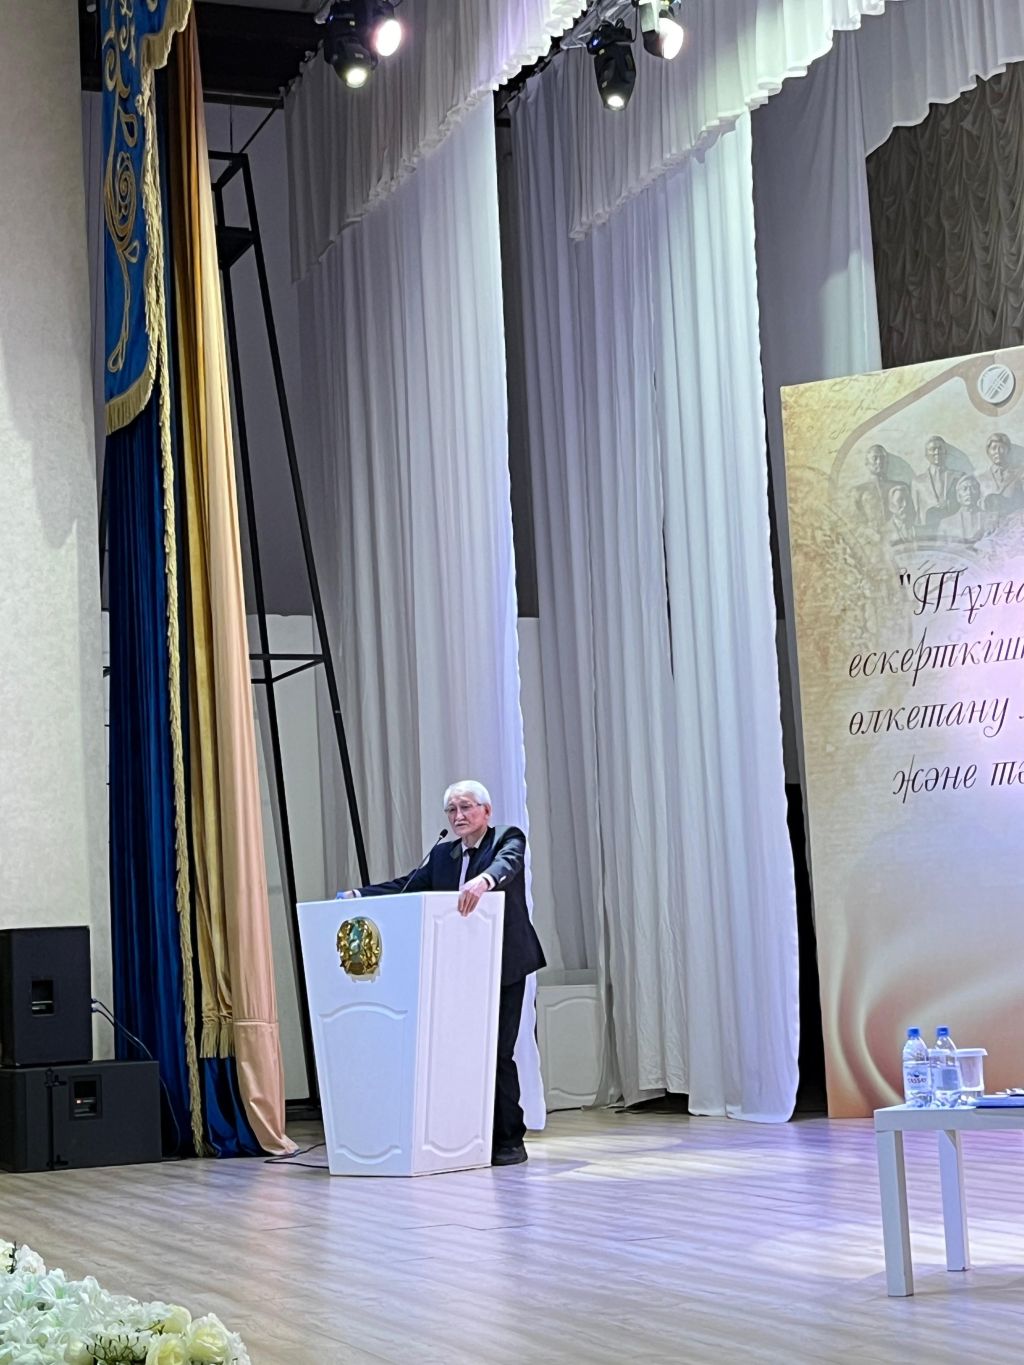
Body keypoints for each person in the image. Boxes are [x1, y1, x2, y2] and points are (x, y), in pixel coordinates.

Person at [339, 780, 545, 1166]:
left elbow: (507, 865)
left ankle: (509, 1140)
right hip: (457, 968)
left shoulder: (507, 837)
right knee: (462, 1054)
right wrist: (358, 896)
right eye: (452, 810)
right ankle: (466, 1137)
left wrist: (483, 881)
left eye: (466, 807)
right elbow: (408, 886)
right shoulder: (442, 854)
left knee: (498, 1052)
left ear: (486, 811)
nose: (458, 816)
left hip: (504, 966)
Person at [911, 435, 958, 530]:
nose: (937, 452)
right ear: (926, 454)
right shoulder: (917, 482)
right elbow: (916, 510)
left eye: (940, 449)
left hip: (952, 527)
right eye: (933, 449)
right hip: (928, 528)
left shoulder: (957, 477)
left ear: (945, 452)